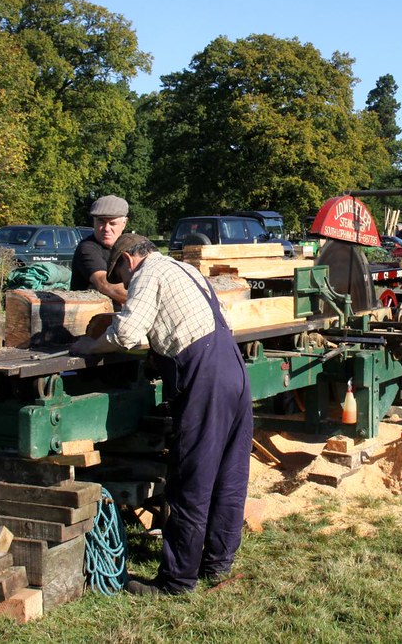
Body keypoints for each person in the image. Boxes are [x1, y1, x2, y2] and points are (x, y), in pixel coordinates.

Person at [70, 233, 253, 596]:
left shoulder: (147, 274)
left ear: (127, 260)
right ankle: (217, 563)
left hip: (204, 377)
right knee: (229, 474)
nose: (124, 282)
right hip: (232, 366)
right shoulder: (184, 269)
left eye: (120, 274)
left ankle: (177, 581)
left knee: (191, 480)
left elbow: (125, 333)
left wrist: (88, 345)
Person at [71, 195, 129, 306]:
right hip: (92, 320)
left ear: (124, 223)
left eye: (112, 223)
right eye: (101, 222)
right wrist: (144, 302)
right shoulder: (87, 248)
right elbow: (104, 283)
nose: (107, 229)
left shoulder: (129, 247)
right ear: (94, 222)